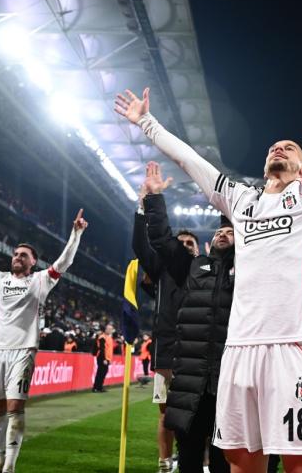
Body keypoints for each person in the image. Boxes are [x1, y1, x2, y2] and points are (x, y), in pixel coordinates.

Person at [115, 18, 302, 473]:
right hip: (239, 351)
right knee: (242, 464)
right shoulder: (241, 200)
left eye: (290, 147)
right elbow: (190, 159)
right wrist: (146, 122)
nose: (279, 147)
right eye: (274, 146)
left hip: (293, 349)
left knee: (301, 467)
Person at [0, 205, 87, 473]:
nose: (17, 257)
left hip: (24, 350)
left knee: (15, 407)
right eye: (15, 254)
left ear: (33, 261)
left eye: (23, 255)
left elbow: (64, 263)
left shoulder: (40, 280)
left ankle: (10, 466)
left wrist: (76, 234)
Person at [143, 162, 236, 473]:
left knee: (224, 460)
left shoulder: (250, 272)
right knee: (189, 458)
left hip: (228, 381)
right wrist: (154, 199)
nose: (223, 234)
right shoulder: (193, 266)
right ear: (209, 243)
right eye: (219, 231)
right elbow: (162, 240)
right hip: (190, 380)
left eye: (230, 232)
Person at [133, 162, 184, 473]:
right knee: (166, 412)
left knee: (203, 412)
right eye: (182, 242)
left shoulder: (204, 273)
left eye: (191, 244)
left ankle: (202, 462)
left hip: (199, 353)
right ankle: (165, 463)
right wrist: (143, 205)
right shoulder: (162, 270)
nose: (185, 246)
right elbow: (140, 245)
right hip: (166, 350)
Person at [93, 324, 114, 393]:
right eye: (109, 329)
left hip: (106, 358)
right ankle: (96, 387)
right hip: (102, 357)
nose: (110, 330)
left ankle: (99, 387)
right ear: (105, 329)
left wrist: (109, 359)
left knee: (103, 372)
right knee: (100, 372)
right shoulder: (102, 337)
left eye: (111, 329)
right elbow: (102, 349)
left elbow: (109, 349)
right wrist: (104, 359)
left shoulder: (109, 338)